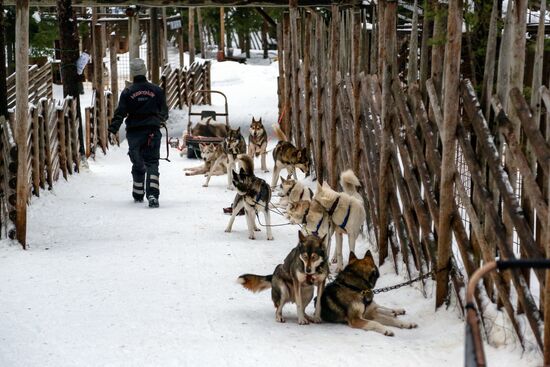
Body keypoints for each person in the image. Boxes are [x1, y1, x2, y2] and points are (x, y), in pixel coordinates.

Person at [108, 58, 169, 208]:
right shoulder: (156, 90)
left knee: (138, 162)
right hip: (152, 132)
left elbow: (120, 113)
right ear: (145, 71)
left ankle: (138, 193)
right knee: (152, 162)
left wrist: (112, 130)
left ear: (132, 73)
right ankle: (153, 195)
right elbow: (164, 112)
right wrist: (157, 120)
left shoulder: (127, 92)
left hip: (134, 134)